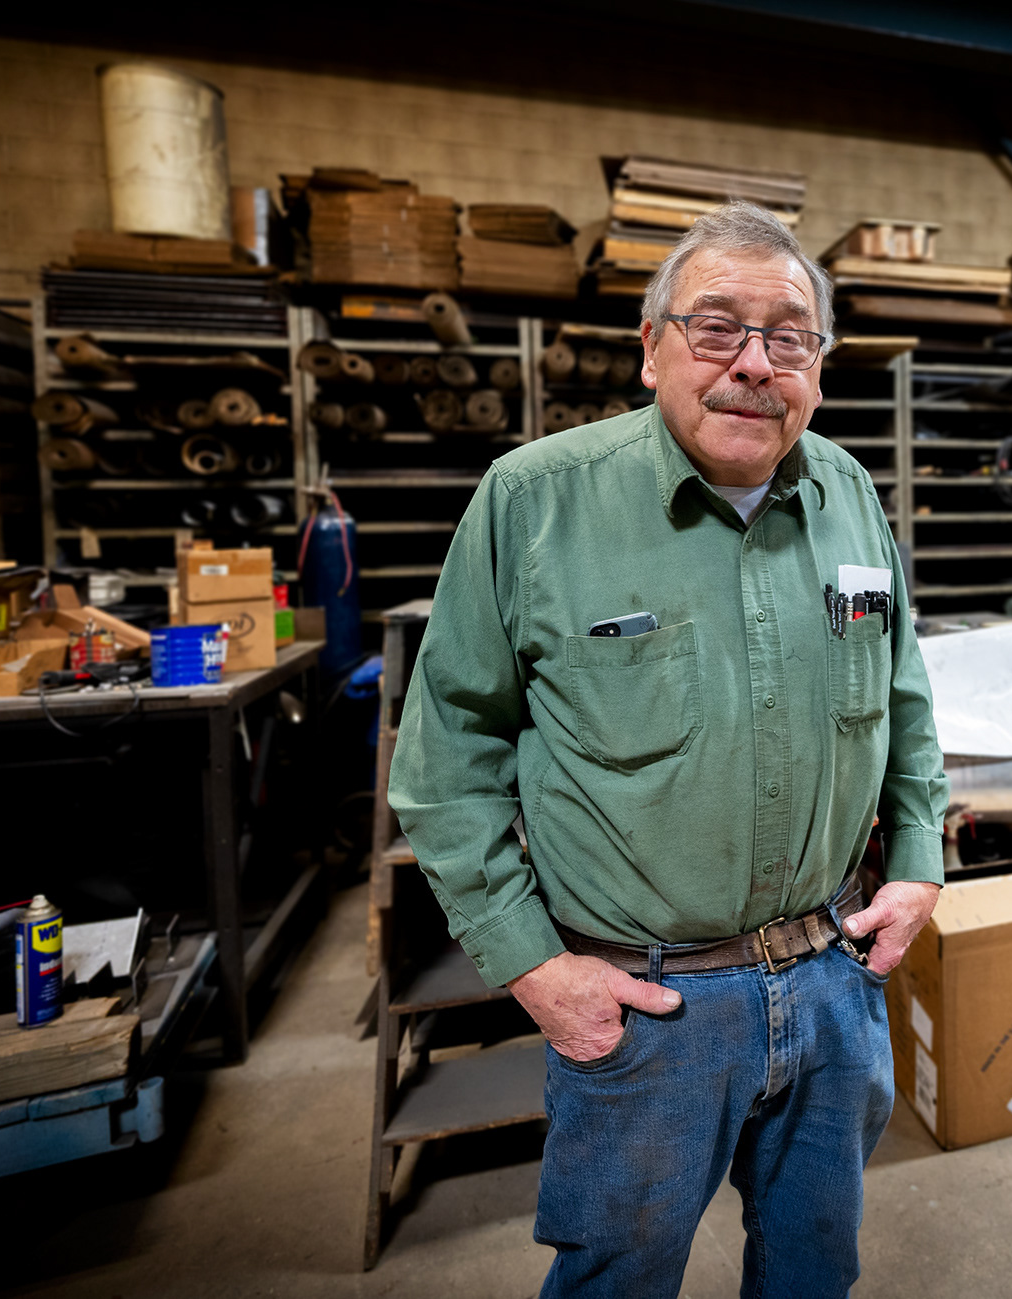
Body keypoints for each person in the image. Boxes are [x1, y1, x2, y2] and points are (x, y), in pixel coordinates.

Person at [389, 199, 949, 1299]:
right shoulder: (533, 504)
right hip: (650, 1014)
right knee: (619, 1278)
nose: (753, 364)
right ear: (652, 351)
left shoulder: (848, 496)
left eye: (788, 337)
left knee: (813, 1269)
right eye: (717, 328)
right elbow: (445, 760)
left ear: (818, 367)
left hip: (835, 981)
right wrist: (536, 969)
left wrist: (921, 857)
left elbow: (904, 693)